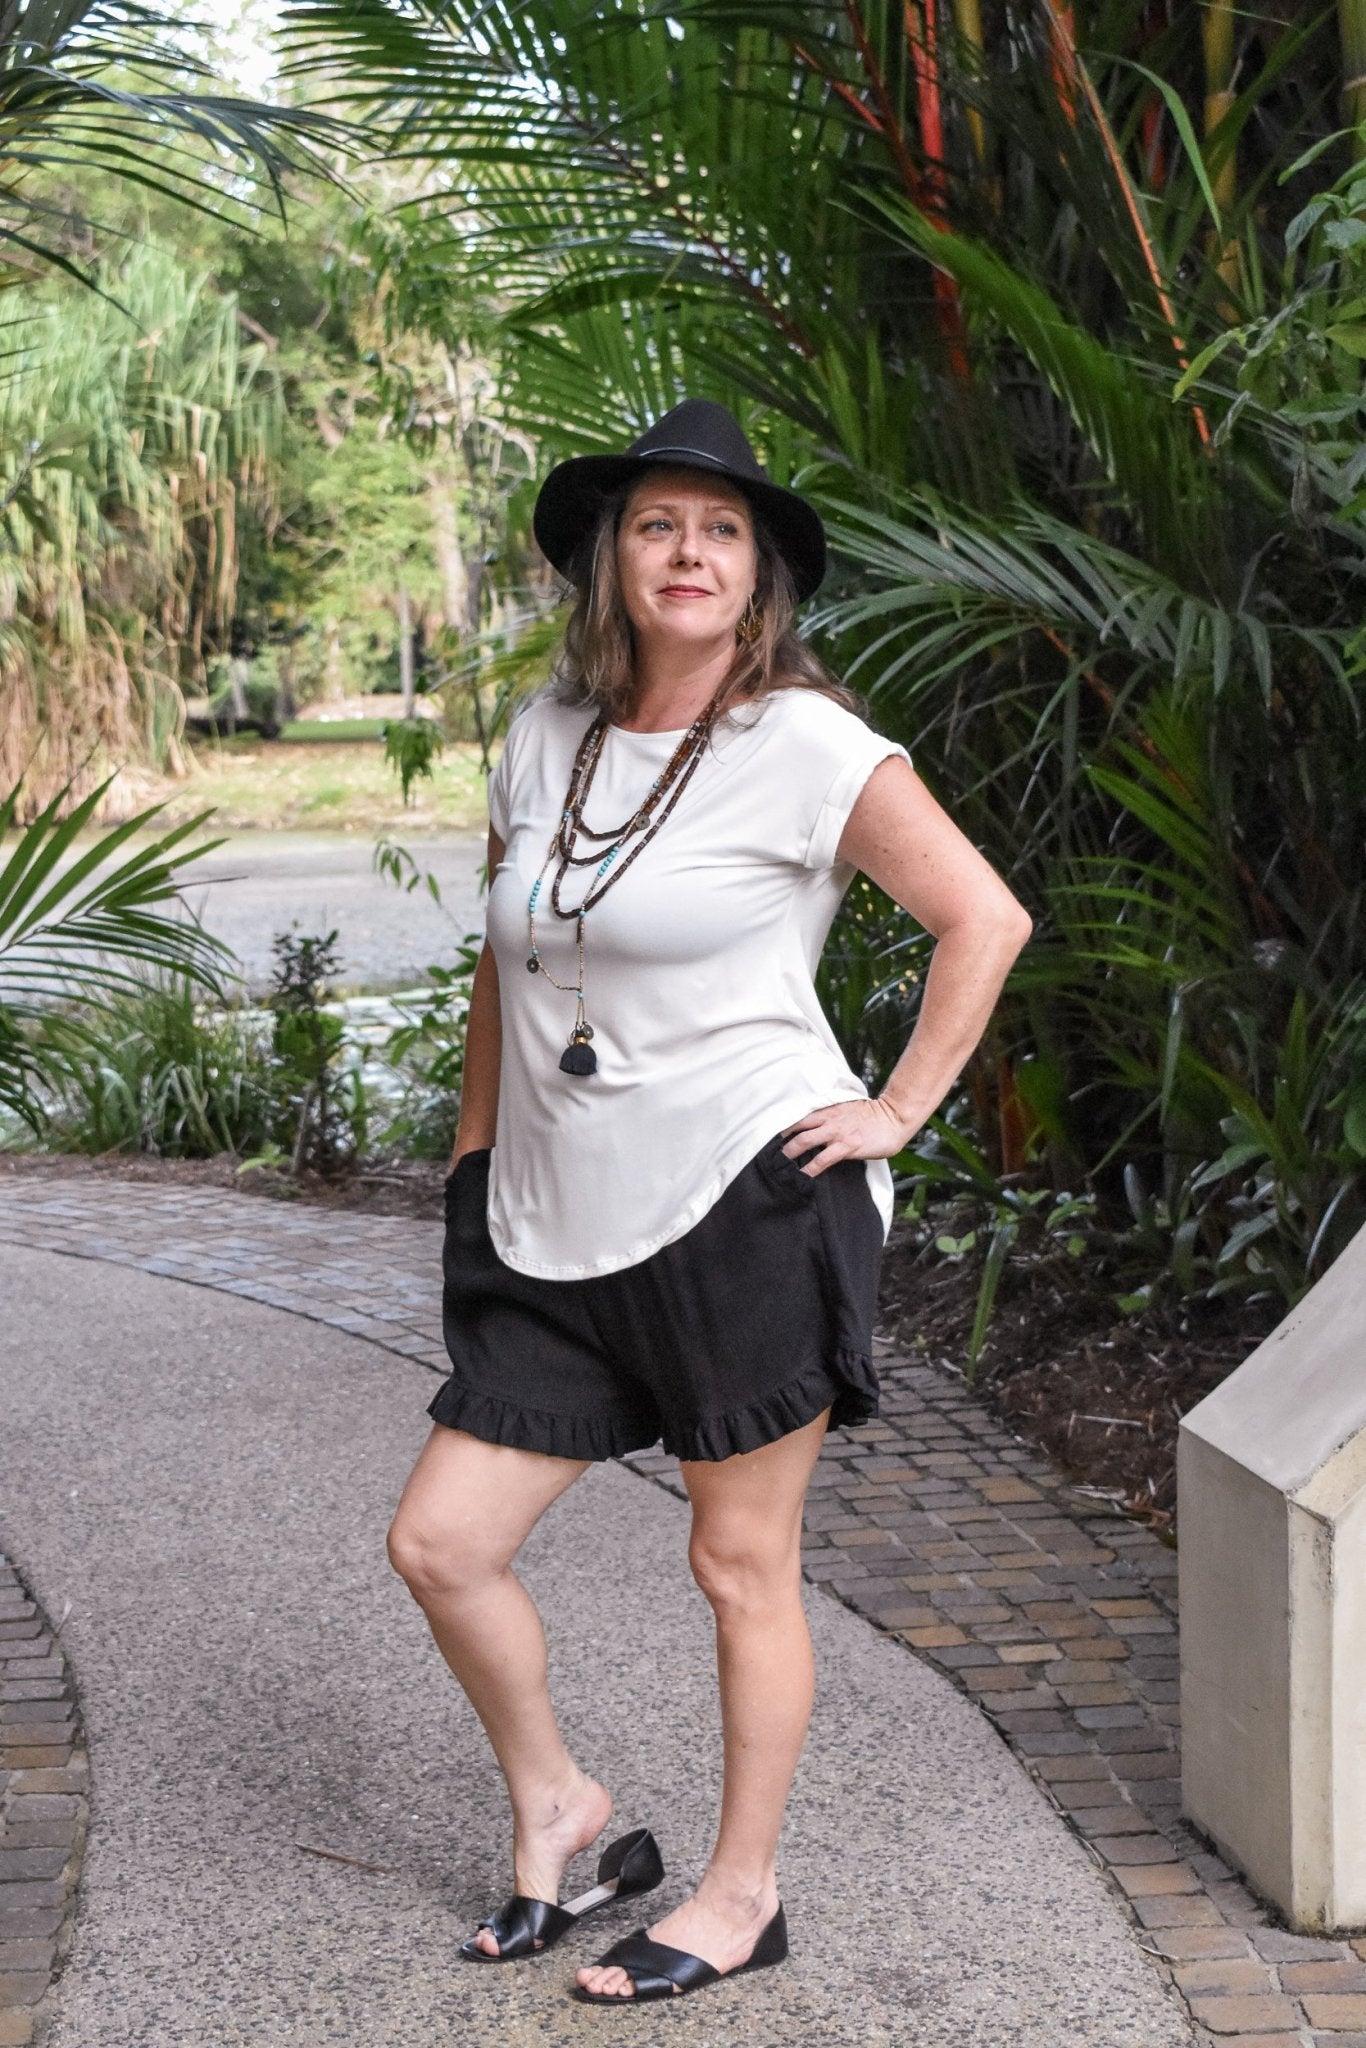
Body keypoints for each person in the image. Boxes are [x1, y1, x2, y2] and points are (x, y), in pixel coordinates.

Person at [386, 399, 1032, 2004]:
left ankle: (742, 1896)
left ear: (758, 577)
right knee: (442, 1543)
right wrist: (472, 1155)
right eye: (660, 525)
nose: (689, 552)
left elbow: (984, 918)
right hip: (550, 1215)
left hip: (746, 1197)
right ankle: (559, 1801)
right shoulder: (543, 738)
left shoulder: (806, 745)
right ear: (612, 558)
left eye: (722, 531)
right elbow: (506, 964)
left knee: (737, 1564)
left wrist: (893, 1111)